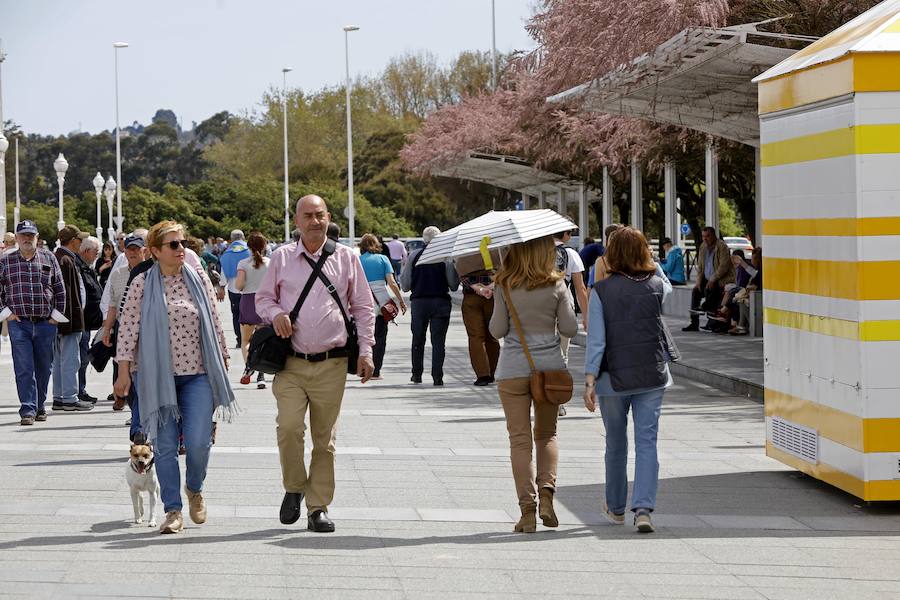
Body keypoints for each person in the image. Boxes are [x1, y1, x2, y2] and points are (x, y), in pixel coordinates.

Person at [255, 194, 375, 533]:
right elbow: (263, 298)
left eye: (319, 215)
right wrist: (276, 313)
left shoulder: (347, 258)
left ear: (328, 217)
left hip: (332, 363)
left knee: (325, 440)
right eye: (307, 215)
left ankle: (317, 506)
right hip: (291, 362)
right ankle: (294, 486)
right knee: (289, 428)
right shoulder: (281, 257)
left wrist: (366, 351)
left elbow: (364, 307)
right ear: (296, 221)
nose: (314, 221)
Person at [114, 220, 235, 535]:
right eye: (173, 245)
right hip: (156, 377)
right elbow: (127, 329)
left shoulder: (198, 279)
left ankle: (194, 488)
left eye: (183, 243)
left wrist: (223, 359)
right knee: (165, 447)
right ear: (155, 251)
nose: (182, 249)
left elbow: (214, 322)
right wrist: (123, 372)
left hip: (197, 375)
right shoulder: (141, 284)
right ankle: (173, 511)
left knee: (197, 442)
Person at [583, 226, 674, 534]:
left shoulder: (600, 291)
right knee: (647, 442)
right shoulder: (657, 286)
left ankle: (616, 507)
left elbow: (596, 341)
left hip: (612, 378)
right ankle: (644, 509)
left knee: (616, 442)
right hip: (652, 375)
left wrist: (589, 380)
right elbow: (664, 281)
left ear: (611, 255)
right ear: (644, 252)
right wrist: (651, 262)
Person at [489, 235, 578, 533]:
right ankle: (547, 495)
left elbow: (497, 329)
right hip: (549, 369)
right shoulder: (556, 284)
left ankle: (527, 511)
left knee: (519, 440)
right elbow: (569, 328)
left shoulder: (504, 284)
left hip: (513, 368)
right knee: (547, 434)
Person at [0, 221, 67, 425]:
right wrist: (7, 314)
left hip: (45, 323)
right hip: (19, 323)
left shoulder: (49, 258)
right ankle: (27, 409)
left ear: (37, 237)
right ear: (17, 238)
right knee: (23, 368)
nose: (27, 239)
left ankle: (40, 406)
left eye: (31, 235)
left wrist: (55, 317)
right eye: (23, 235)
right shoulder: (6, 261)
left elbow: (60, 289)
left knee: (44, 367)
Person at [400, 226, 459, 386]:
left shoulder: (414, 256)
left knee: (418, 340)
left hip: (419, 303)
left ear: (424, 238)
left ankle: (416, 374)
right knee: (438, 342)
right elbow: (453, 284)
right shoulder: (445, 257)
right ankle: (437, 377)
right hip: (440, 302)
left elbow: (405, 285)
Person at [53, 226, 92, 412]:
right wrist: (67, 321)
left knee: (61, 360)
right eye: (79, 239)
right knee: (70, 359)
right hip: (69, 320)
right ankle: (68, 398)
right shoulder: (66, 259)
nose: (81, 242)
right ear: (72, 241)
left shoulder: (61, 257)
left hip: (63, 319)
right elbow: (65, 294)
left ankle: (60, 398)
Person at [359, 234, 407, 379]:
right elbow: (392, 283)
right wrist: (401, 301)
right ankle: (375, 371)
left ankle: (362, 369)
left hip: (362, 303)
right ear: (376, 245)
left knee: (363, 337)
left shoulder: (357, 260)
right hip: (381, 303)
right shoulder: (383, 259)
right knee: (380, 337)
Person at [235, 231, 271, 389]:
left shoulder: (243, 264)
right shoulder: (270, 263)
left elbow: (239, 286)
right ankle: (261, 375)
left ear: (248, 246)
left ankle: (249, 365)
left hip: (248, 301)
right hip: (265, 302)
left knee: (246, 341)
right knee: (263, 340)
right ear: (265, 246)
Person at [683, 227, 734, 332]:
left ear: (714, 236)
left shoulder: (722, 247)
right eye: (703, 236)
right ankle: (694, 323)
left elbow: (723, 266)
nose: (705, 239)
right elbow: (700, 266)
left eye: (707, 236)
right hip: (707, 278)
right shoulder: (703, 247)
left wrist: (713, 279)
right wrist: (698, 281)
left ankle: (709, 315)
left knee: (711, 289)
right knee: (696, 291)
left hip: (721, 279)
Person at [459, 261, 499, 386]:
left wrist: (479, 288)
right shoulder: (496, 246)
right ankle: (491, 373)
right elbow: (506, 271)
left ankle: (483, 375)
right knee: (492, 335)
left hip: (471, 297)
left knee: (476, 336)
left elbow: (460, 273)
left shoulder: (464, 248)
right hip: (493, 296)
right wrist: (490, 287)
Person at [77, 236, 104, 404]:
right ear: (86, 251)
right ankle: (79, 390)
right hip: (82, 323)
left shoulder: (87, 267)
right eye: (96, 252)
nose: (97, 255)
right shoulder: (80, 267)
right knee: (81, 358)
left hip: (88, 322)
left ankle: (81, 389)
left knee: (84, 358)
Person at [219, 230, 250, 348]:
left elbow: (223, 274)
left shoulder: (227, 254)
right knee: (250, 314)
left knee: (236, 315)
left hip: (233, 289)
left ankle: (239, 339)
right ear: (243, 237)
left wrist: (222, 287)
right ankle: (250, 337)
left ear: (231, 239)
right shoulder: (250, 252)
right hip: (249, 289)